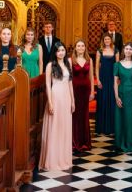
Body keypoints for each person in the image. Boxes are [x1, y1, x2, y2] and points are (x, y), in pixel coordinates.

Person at [39, 42, 75, 171]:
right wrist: (50, 102)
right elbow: (48, 85)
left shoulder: (68, 63)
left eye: (63, 50)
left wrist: (72, 100)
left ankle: (63, 158)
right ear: (55, 53)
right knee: (55, 127)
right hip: (55, 96)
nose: (61, 53)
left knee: (64, 127)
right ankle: (52, 160)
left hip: (66, 97)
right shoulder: (50, 65)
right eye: (58, 51)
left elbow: (70, 83)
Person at [114, 42, 132, 152]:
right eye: (126, 49)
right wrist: (116, 97)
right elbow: (115, 82)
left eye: (130, 49)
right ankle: (122, 143)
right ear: (123, 51)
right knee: (122, 119)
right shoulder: (117, 65)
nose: (128, 51)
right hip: (122, 94)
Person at [72, 39, 94, 152]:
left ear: (85, 48)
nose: (80, 48)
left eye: (82, 46)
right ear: (75, 48)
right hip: (74, 90)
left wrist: (92, 92)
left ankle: (85, 142)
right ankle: (75, 142)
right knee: (75, 115)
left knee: (84, 115)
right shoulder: (71, 60)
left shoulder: (89, 60)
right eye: (78, 46)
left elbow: (91, 77)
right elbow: (69, 78)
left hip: (85, 90)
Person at [95, 33, 118, 135]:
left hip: (112, 78)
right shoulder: (99, 51)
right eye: (105, 39)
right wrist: (98, 80)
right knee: (103, 101)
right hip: (103, 78)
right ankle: (102, 127)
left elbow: (117, 66)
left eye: (108, 39)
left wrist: (117, 79)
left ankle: (112, 127)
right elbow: (96, 67)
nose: (107, 40)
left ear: (111, 40)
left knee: (112, 101)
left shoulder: (116, 51)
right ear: (103, 40)